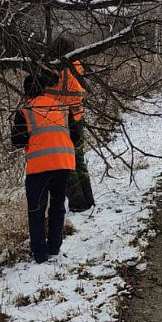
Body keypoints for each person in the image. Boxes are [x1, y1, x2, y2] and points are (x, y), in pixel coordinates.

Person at [11, 70, 81, 263]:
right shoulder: (62, 108)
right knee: (58, 207)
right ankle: (54, 248)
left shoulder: (24, 112)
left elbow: (17, 141)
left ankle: (40, 254)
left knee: (36, 211)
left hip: (39, 168)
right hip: (63, 164)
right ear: (44, 89)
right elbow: (76, 136)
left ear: (26, 92)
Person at [48, 35, 95, 212]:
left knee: (66, 162)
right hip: (77, 117)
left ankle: (77, 203)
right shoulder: (77, 66)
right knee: (79, 159)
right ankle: (88, 200)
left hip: (62, 119)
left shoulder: (56, 70)